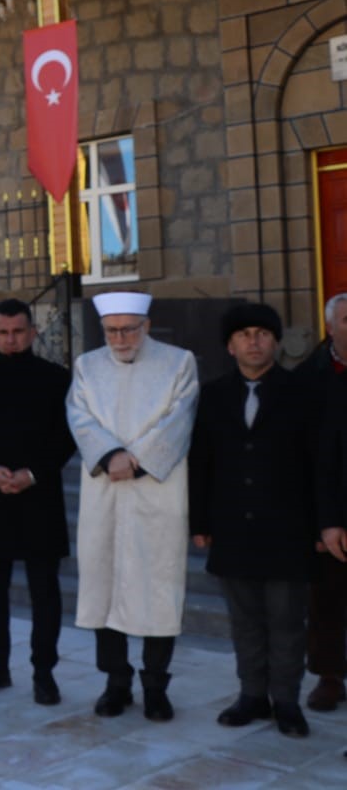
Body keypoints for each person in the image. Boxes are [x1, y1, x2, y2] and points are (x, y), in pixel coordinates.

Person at [66, 290, 198, 722]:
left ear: (146, 327)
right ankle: (115, 682)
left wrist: (136, 460)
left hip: (156, 493)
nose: (120, 339)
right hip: (105, 492)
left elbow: (180, 418)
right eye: (111, 331)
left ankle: (156, 686)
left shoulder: (179, 363)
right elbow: (79, 415)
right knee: (105, 588)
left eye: (128, 330)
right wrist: (108, 455)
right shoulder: (87, 366)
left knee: (157, 588)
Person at [189, 302, 314, 737]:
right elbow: (201, 462)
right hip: (233, 528)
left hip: (287, 529)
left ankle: (286, 701)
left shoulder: (301, 392)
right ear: (230, 345)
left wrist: (322, 524)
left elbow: (318, 464)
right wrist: (200, 522)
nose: (254, 341)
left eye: (262, 333)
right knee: (244, 620)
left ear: (276, 341)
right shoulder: (213, 394)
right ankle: (253, 695)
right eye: (244, 334)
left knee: (285, 621)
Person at [0, 298, 75, 705]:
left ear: (33, 332)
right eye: (3, 333)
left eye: (19, 331)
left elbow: (65, 436)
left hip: (39, 498)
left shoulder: (57, 378)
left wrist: (32, 473)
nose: (11, 339)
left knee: (45, 591)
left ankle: (44, 673)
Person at [302, 291, 347, 712]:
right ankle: (329, 676)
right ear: (330, 327)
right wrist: (323, 522)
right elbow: (307, 458)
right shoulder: (309, 379)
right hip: (330, 513)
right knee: (327, 601)